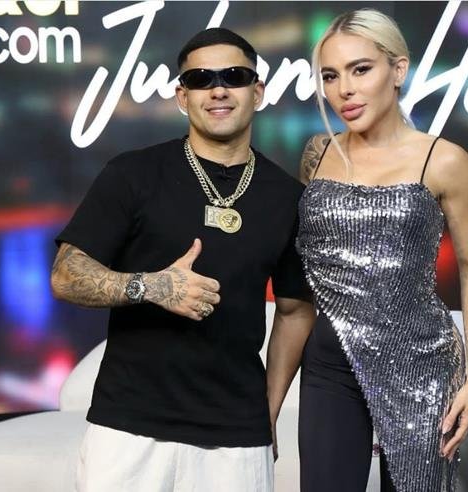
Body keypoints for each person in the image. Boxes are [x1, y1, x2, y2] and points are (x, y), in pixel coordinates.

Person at [50, 27, 314, 492]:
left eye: (233, 76)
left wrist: (268, 411)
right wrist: (151, 286)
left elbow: (295, 310)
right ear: (181, 96)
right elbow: (66, 275)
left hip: (236, 435)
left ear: (257, 92)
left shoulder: (288, 197)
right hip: (128, 427)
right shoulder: (133, 173)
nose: (218, 89)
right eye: (200, 79)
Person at [296, 9, 468, 492]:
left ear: (398, 70)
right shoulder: (318, 154)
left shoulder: (444, 160)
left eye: (361, 69)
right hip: (330, 364)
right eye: (330, 76)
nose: (345, 89)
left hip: (421, 363)